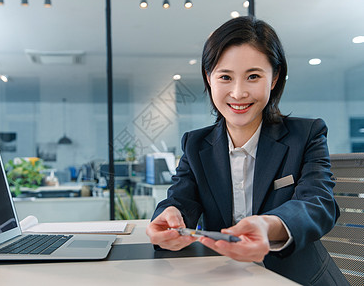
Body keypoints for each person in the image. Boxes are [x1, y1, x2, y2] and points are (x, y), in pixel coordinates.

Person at [146, 16, 349, 286]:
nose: (239, 93)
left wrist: (268, 226)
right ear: (209, 79)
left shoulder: (307, 135)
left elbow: (319, 204)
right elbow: (180, 200)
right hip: (224, 277)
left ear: (274, 78)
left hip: (300, 279)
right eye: (225, 77)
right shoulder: (195, 145)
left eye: (253, 76)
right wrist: (170, 216)